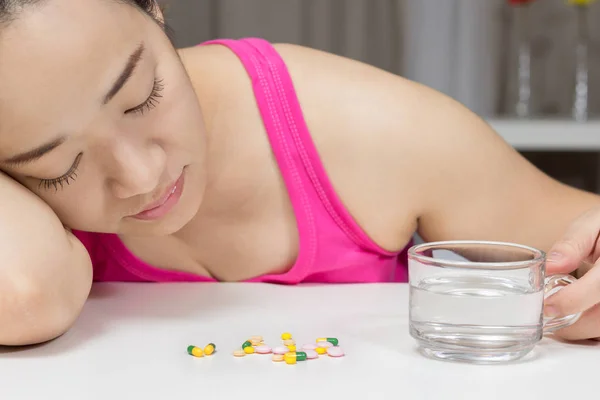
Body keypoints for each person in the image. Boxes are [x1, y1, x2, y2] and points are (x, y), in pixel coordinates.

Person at [0, 0, 599, 347]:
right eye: (57, 166)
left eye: (141, 96)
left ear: (155, 9)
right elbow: (24, 298)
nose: (139, 175)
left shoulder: (372, 126)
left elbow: (578, 238)